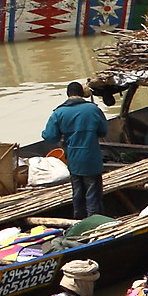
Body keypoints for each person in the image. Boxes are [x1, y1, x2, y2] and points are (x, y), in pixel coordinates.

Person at [42, 82, 107, 221]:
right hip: (92, 158)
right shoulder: (93, 109)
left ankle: (79, 221)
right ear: (82, 94)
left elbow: (50, 137)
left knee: (78, 193)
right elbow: (103, 131)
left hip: (73, 160)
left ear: (68, 94)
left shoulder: (58, 113)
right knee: (93, 193)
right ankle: (94, 223)